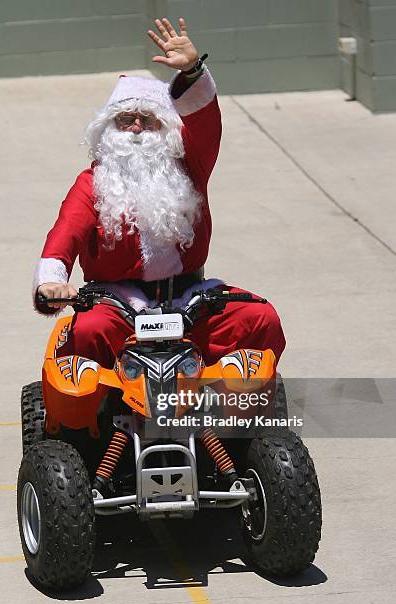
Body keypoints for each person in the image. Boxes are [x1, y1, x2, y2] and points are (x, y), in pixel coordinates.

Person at [33, 17, 286, 369]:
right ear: (109, 128)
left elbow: (205, 123)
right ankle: (106, 423)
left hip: (189, 302)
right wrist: (51, 285)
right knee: (86, 333)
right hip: (116, 306)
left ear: (165, 128)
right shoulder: (90, 183)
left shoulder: (189, 167)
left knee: (260, 319)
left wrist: (193, 72)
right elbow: (63, 238)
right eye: (126, 119)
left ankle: (231, 413)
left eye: (147, 119)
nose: (136, 128)